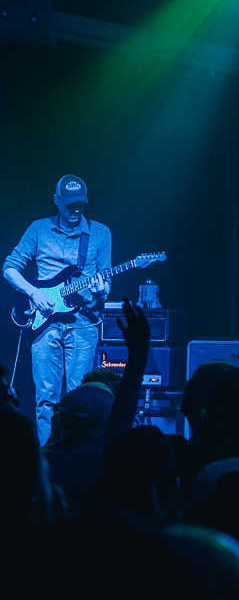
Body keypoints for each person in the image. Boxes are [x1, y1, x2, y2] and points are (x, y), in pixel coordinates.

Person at [4, 175, 112, 445]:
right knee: (47, 398)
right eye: (70, 204)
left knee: (81, 398)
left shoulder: (100, 233)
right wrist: (34, 293)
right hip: (45, 324)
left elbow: (105, 279)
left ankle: (77, 458)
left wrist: (103, 291)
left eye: (80, 205)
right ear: (57, 201)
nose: (75, 210)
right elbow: (9, 268)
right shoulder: (38, 229)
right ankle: (47, 462)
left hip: (84, 325)